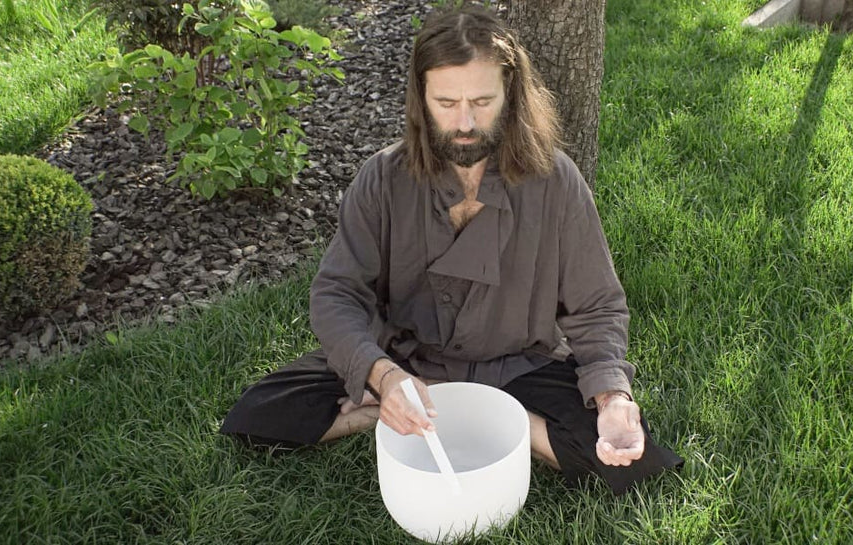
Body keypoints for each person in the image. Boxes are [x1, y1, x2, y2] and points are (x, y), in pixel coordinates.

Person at [221, 6, 682, 495]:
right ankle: (403, 404)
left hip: (517, 365)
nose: (464, 122)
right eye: (446, 102)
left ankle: (495, 419)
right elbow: (337, 293)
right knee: (261, 413)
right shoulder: (382, 178)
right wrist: (382, 374)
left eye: (483, 101)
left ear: (511, 95)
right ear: (421, 98)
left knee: (628, 458)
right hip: (406, 361)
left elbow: (597, 305)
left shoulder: (556, 180)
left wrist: (612, 398)